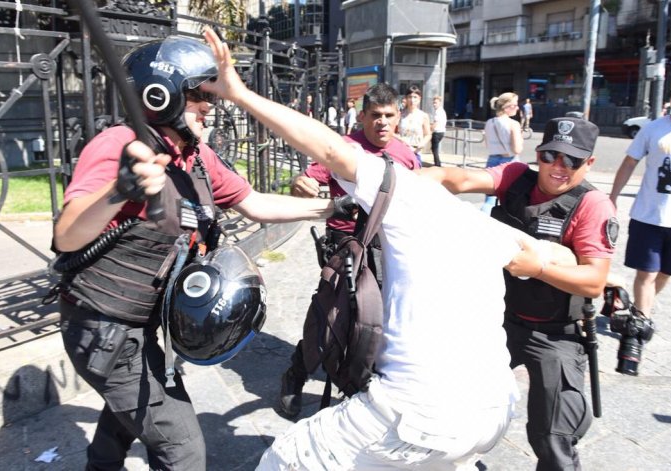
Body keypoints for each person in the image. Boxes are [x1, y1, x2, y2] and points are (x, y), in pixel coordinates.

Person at [201, 27, 575, 470]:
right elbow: (553, 258)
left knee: (285, 457)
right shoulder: (483, 228)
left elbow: (324, 144)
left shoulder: (406, 192)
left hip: (417, 413)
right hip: (493, 414)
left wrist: (239, 93)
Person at [52, 36, 348, 471]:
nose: (208, 105)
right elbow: (67, 236)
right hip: (103, 326)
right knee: (181, 448)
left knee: (127, 413)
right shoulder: (120, 145)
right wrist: (119, 190)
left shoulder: (196, 158)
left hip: (140, 322)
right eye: (197, 95)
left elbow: (255, 203)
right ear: (159, 93)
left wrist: (331, 207)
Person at [423, 116, 616, 470]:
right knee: (448, 395)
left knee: (553, 436)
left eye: (571, 160)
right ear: (538, 155)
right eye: (550, 156)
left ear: (589, 163)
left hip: (555, 332)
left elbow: (594, 281)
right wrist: (418, 178)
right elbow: (461, 178)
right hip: (498, 320)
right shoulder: (516, 178)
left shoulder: (592, 204)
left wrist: (539, 269)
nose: (558, 167)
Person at [280, 82, 420, 418]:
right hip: (344, 249)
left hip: (387, 251)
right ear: (362, 117)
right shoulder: (342, 149)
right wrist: (303, 185)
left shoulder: (406, 156)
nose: (382, 122)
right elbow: (305, 183)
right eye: (375, 115)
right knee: (330, 318)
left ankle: (360, 386)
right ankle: (295, 375)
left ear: (398, 117)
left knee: (376, 322)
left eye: (389, 115)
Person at [609, 70, 671, 324]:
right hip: (648, 215)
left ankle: (639, 308)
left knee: (666, 273)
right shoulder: (653, 129)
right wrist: (613, 196)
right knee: (647, 273)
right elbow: (630, 162)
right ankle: (640, 323)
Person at [482, 92, 523, 213]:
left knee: (490, 197)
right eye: (515, 105)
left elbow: (487, 144)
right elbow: (517, 149)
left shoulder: (490, 122)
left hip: (492, 160)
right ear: (507, 107)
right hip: (509, 162)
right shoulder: (513, 124)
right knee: (512, 197)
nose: (517, 108)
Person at [398, 85, 432, 167]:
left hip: (415, 151)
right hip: (401, 150)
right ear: (406, 98)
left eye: (415, 97)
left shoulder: (423, 116)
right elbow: (393, 132)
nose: (412, 100)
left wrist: (421, 144)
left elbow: (428, 134)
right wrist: (401, 140)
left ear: (419, 99)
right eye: (410, 97)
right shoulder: (400, 114)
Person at [430, 95, 447, 167]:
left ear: (439, 103)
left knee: (434, 148)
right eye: (433, 103)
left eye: (436, 103)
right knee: (434, 148)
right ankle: (437, 163)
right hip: (441, 131)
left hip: (437, 132)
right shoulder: (442, 111)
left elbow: (436, 123)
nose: (434, 104)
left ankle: (437, 164)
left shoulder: (438, 111)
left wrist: (430, 130)